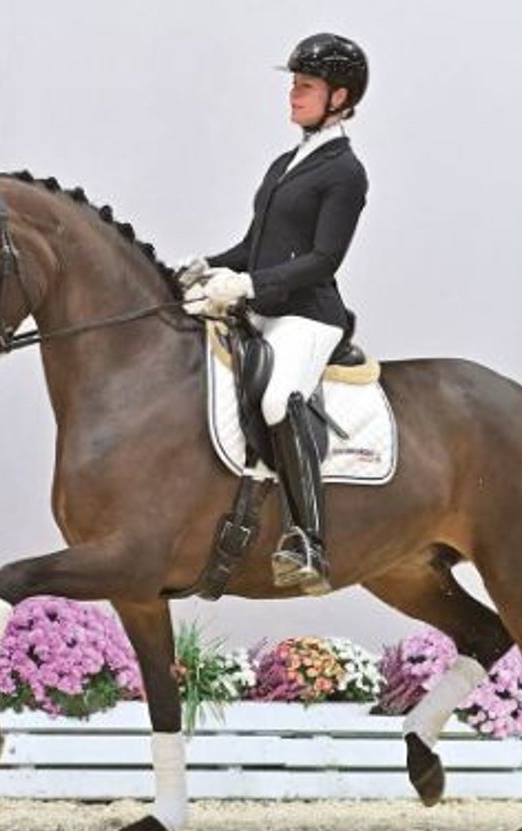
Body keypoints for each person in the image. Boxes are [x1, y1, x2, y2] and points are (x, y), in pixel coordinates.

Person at [180, 33, 370, 596]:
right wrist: (206, 265)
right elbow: (254, 246)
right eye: (294, 84)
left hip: (308, 315)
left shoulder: (346, 172)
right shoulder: (286, 162)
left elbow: (322, 260)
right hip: (262, 303)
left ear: (339, 97)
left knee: (276, 395)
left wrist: (247, 284)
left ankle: (308, 540)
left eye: (305, 86)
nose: (293, 94)